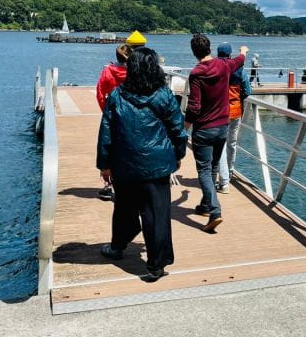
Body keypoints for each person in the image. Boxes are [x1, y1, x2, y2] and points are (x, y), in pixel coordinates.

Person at [96, 47, 188, 282]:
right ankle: (156, 265)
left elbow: (106, 131)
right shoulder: (163, 95)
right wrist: (178, 154)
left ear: (131, 68)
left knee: (124, 208)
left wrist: (104, 164)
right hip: (156, 164)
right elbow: (177, 129)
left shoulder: (117, 95)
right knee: (156, 215)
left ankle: (118, 247)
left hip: (124, 162)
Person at [185, 34, 247, 231]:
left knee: (204, 170)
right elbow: (238, 61)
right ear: (209, 48)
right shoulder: (223, 65)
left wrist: (183, 128)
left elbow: (194, 106)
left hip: (204, 129)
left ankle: (214, 211)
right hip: (222, 127)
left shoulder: (197, 73)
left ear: (194, 52)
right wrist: (243, 52)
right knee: (212, 168)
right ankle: (205, 206)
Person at [95, 43, 133, 200]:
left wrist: (105, 110)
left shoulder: (108, 71)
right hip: (131, 114)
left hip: (113, 113)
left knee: (109, 147)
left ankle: (109, 184)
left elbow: (99, 93)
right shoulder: (133, 72)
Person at [214, 43, 253, 194]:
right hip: (235, 111)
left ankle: (221, 176)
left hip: (220, 111)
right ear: (230, 55)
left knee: (221, 144)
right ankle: (229, 172)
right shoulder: (240, 70)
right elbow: (248, 90)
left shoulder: (216, 69)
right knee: (232, 143)